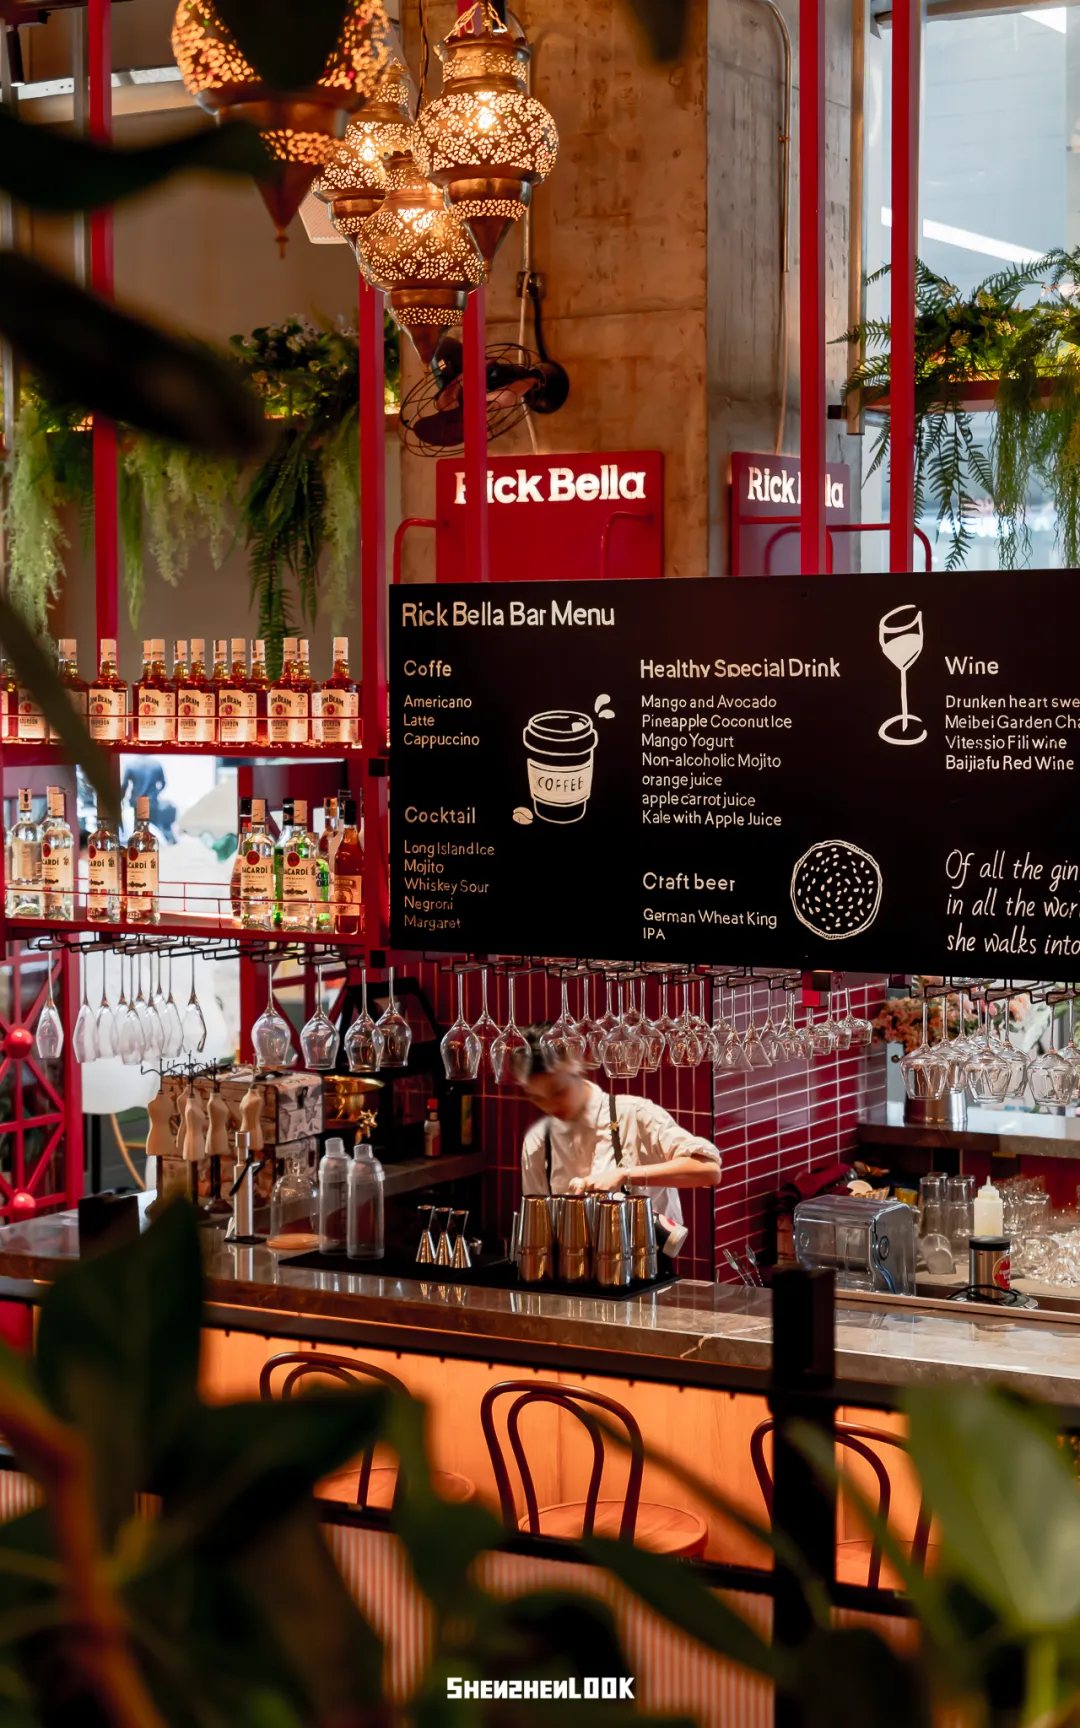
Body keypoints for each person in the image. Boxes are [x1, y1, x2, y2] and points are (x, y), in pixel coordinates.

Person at [514, 1031, 721, 1253]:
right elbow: (538, 1232)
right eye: (538, 1098)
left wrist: (625, 1175)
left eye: (558, 1092)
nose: (551, 1106)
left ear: (577, 1066)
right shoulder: (538, 1141)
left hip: (645, 1266)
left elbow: (708, 1170)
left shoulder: (635, 1114)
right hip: (573, 1269)